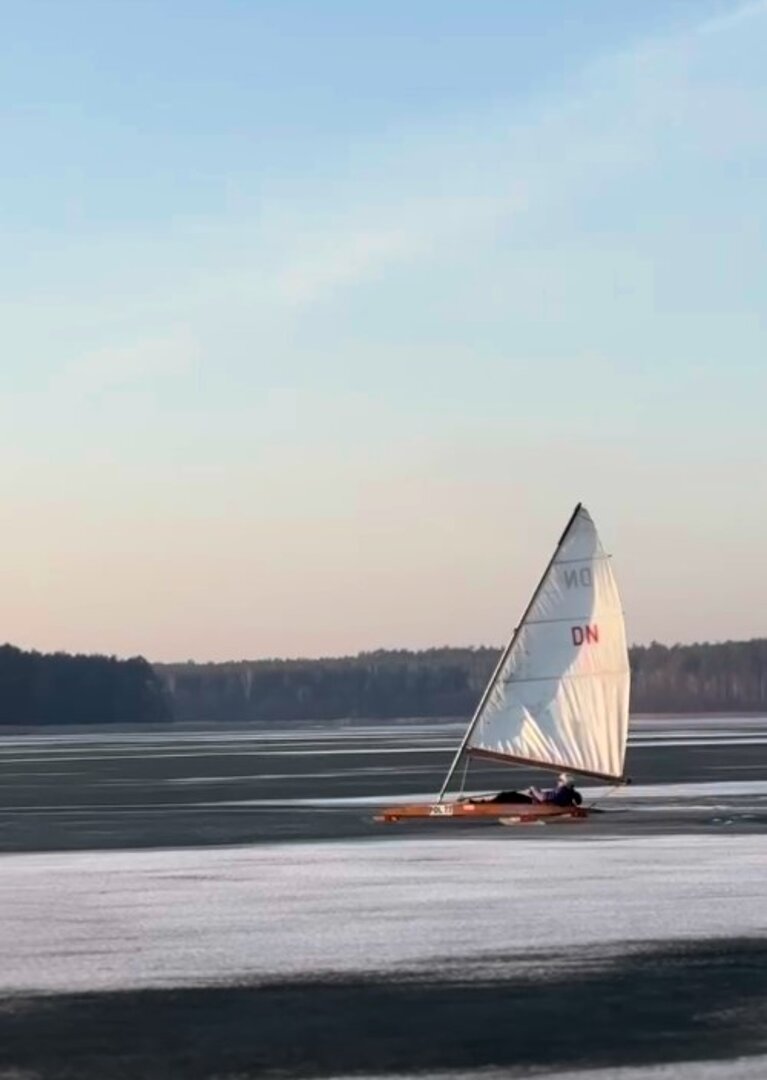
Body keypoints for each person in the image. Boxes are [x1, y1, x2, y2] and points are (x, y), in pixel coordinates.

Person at [468, 773, 582, 807]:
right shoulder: (570, 792)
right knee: (508, 796)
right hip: (536, 801)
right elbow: (576, 801)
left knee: (507, 796)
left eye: (560, 780)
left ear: (564, 782)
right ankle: (485, 803)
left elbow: (543, 799)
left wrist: (534, 790)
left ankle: (482, 805)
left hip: (534, 804)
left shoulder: (561, 791)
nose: (557, 782)